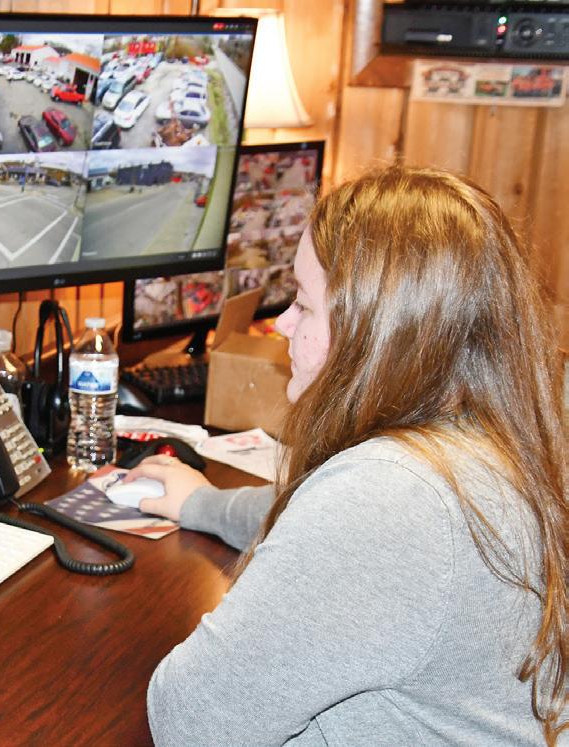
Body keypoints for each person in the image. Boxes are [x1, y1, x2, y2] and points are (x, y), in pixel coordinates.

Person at [125, 166, 569, 746]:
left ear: (376, 331)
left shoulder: (389, 499)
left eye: (303, 304)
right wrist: (202, 504)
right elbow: (320, 522)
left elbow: (192, 722)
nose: (282, 323)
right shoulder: (488, 440)